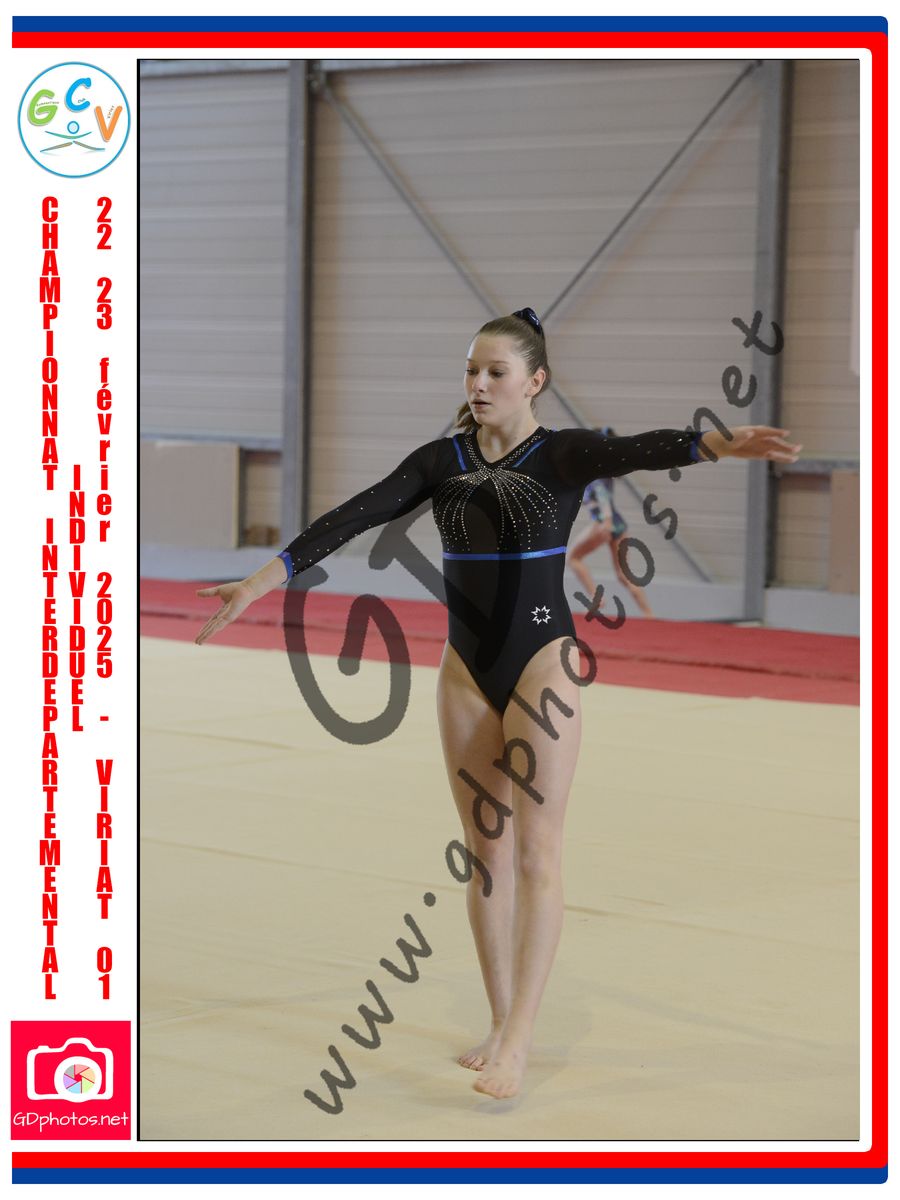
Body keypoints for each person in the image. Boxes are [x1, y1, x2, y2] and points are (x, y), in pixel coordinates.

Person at [194, 308, 801, 1100]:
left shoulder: (563, 454)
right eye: (471, 371)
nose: (479, 384)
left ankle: (519, 1040)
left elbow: (642, 448)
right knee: (486, 853)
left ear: (534, 381)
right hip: (465, 671)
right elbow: (354, 516)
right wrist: (258, 581)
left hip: (544, 664)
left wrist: (719, 444)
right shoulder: (439, 460)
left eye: (496, 372)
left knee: (538, 853)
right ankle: (499, 1017)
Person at [566, 426, 656, 617]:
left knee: (573, 558)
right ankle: (649, 615)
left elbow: (602, 495)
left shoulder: (595, 470)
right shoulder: (605, 469)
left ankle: (596, 599)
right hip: (618, 524)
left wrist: (606, 522)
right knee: (624, 575)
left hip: (603, 522)